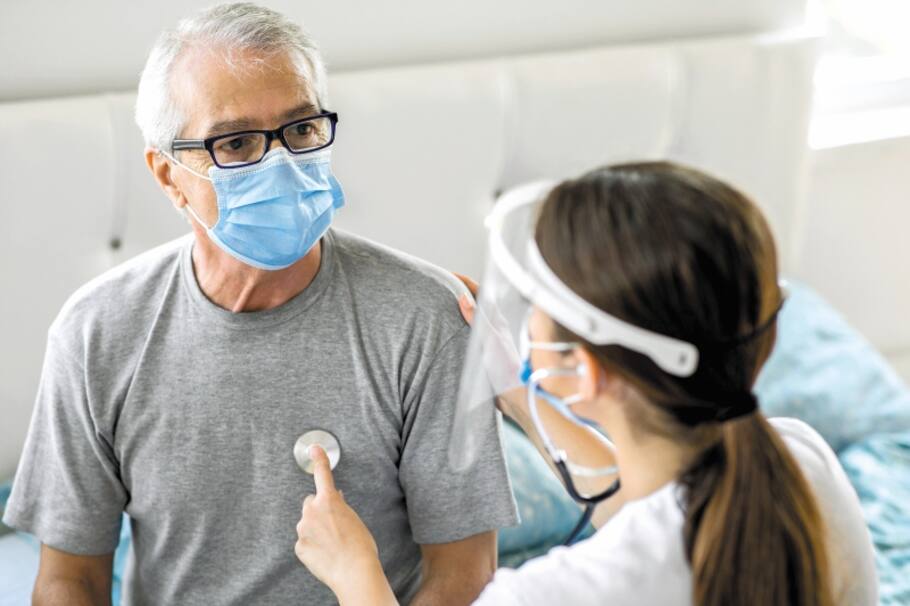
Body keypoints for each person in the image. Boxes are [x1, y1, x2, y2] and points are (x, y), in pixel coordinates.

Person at [2, 3, 517, 605]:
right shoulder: (97, 333)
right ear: (168, 176)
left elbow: (463, 576)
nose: (280, 164)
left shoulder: (426, 319)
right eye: (237, 142)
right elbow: (69, 581)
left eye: (301, 130)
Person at [292, 162, 878, 605]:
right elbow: (648, 510)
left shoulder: (554, 593)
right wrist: (519, 393)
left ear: (587, 371)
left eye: (540, 302)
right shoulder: (801, 461)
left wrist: (356, 574)